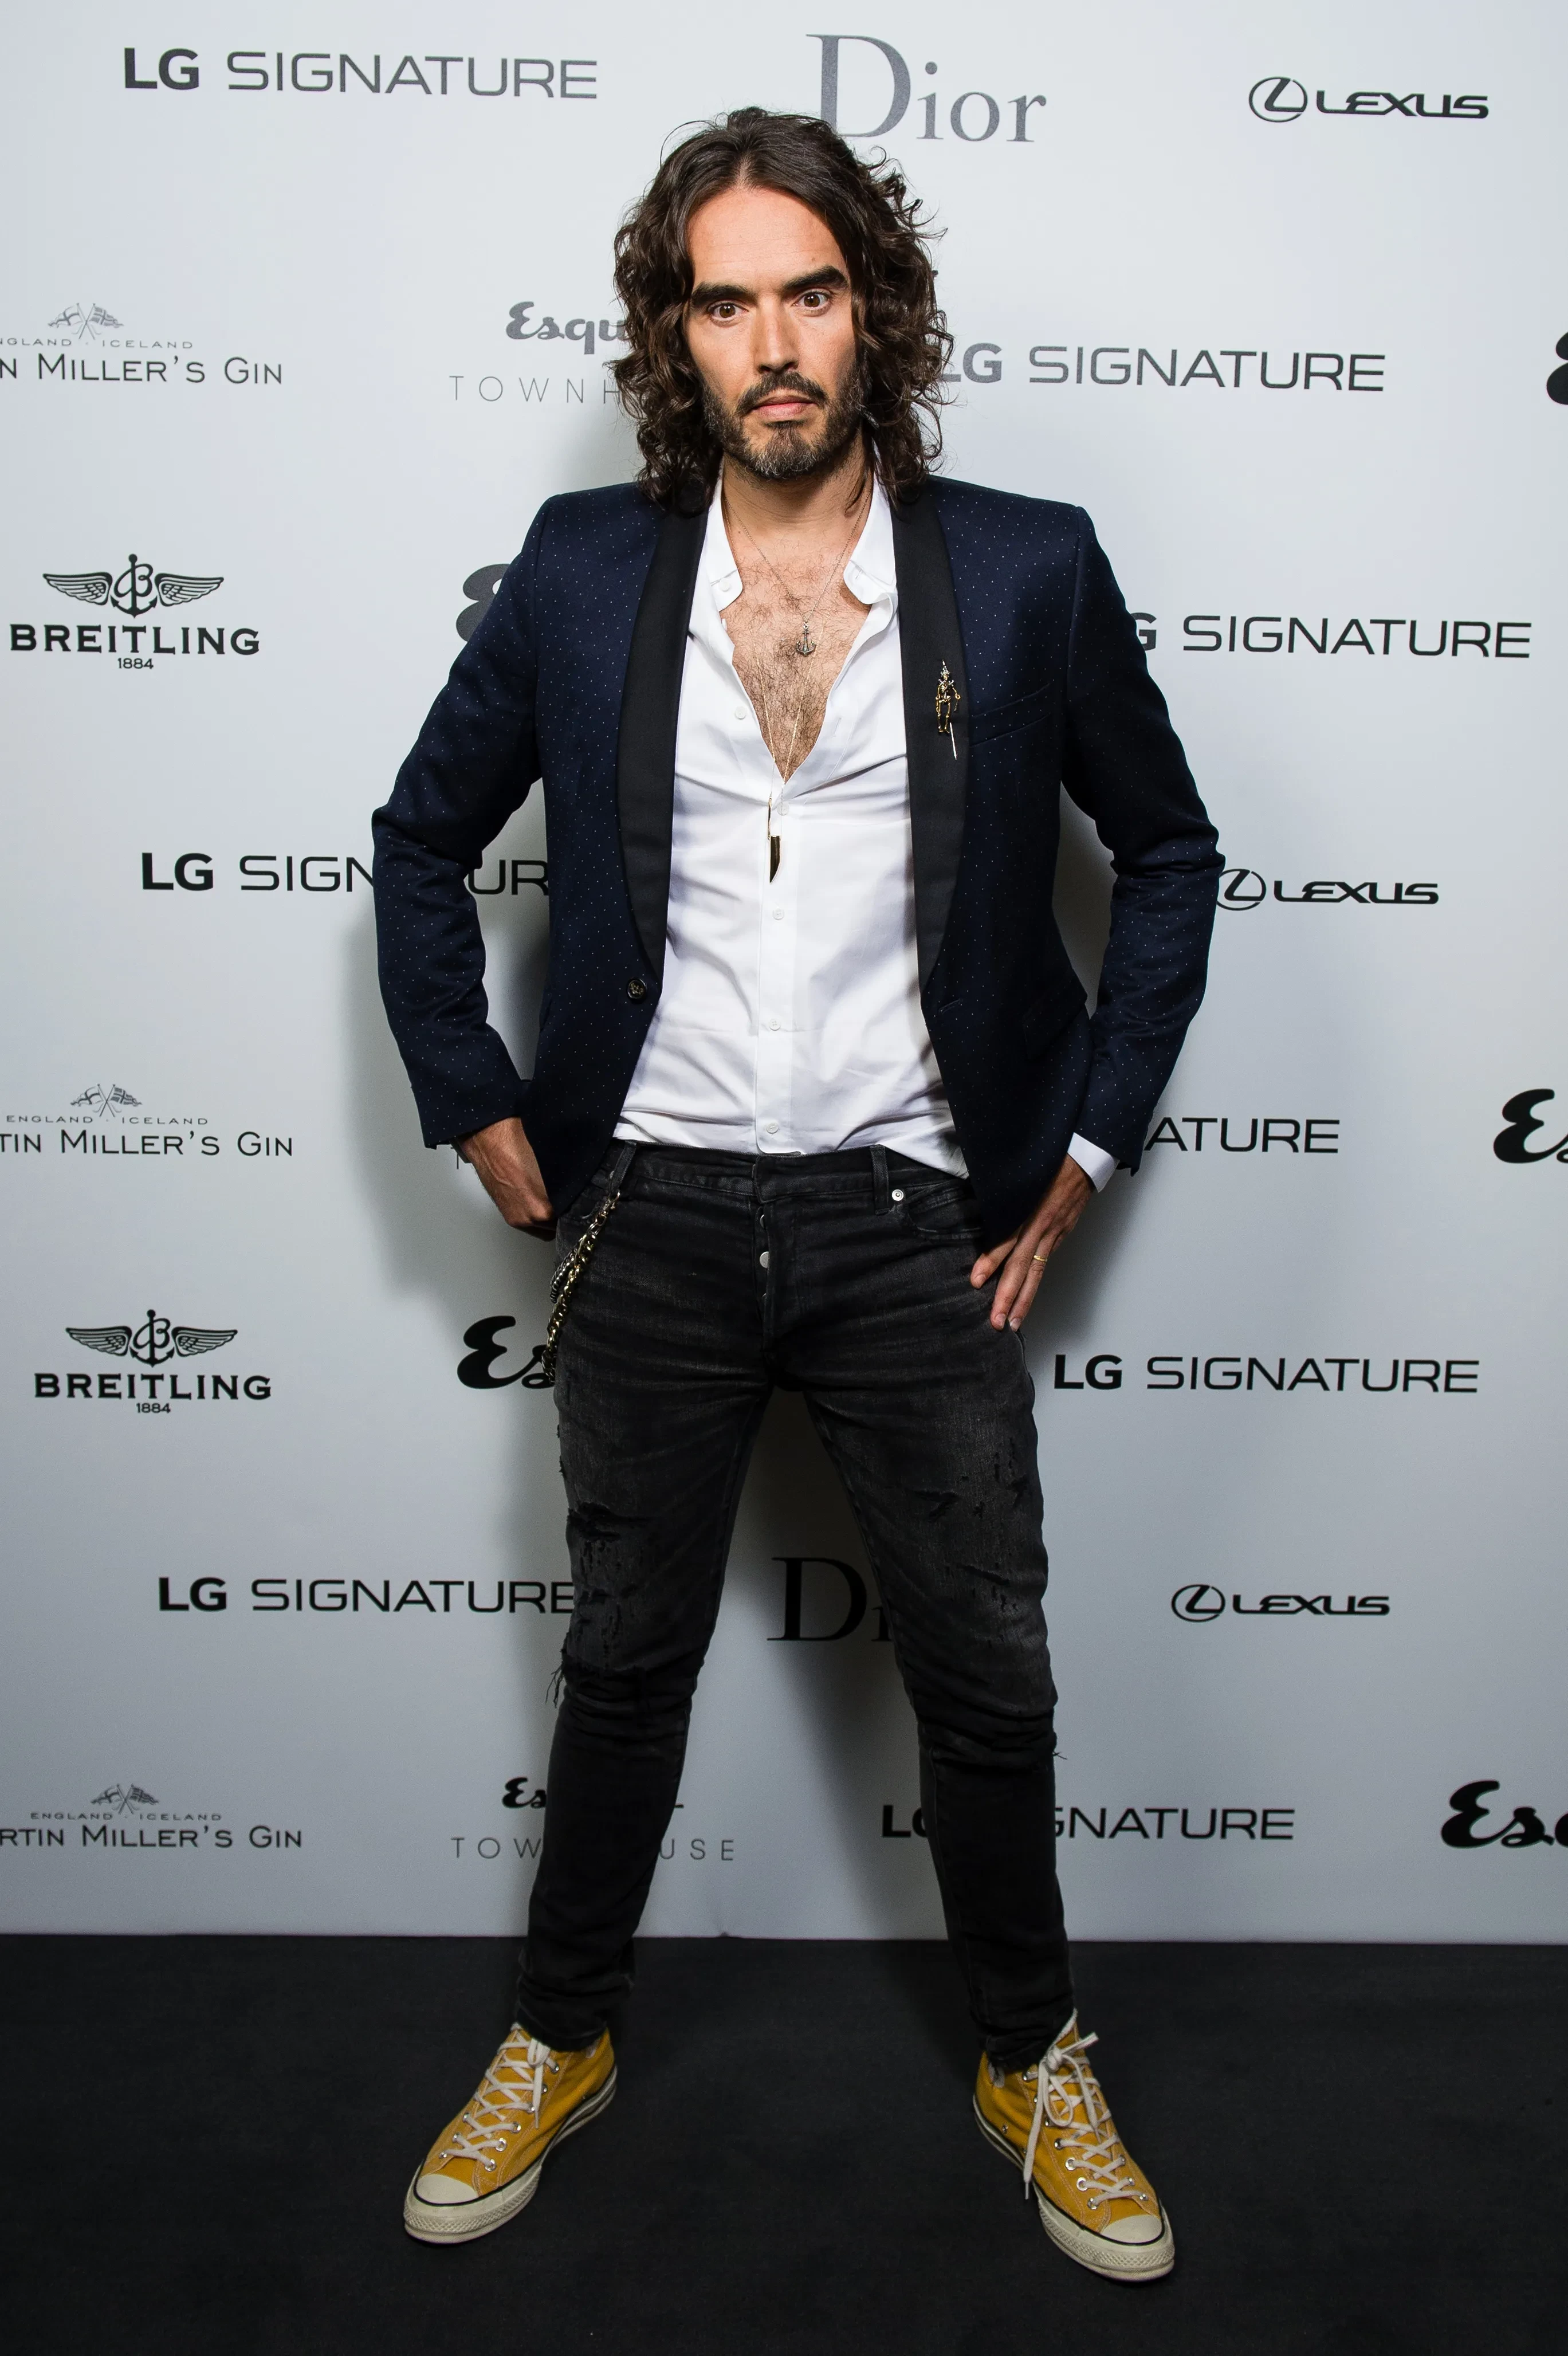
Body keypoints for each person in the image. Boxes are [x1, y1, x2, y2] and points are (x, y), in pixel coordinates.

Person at [374, 107, 1219, 2280]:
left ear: (875, 312)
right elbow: (417, 838)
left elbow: (1170, 853)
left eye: (813, 292)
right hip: (646, 1210)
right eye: (728, 300)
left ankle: (1031, 2057)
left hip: (916, 1218)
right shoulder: (584, 568)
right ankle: (561, 2035)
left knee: (989, 1679)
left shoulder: (1021, 568)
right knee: (624, 1664)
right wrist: (470, 1092)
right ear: (678, 335)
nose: (774, 343)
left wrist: (1088, 1146)